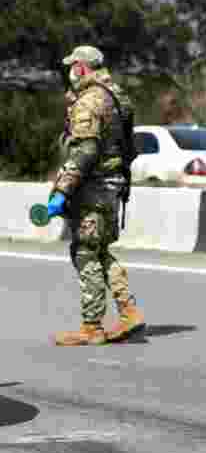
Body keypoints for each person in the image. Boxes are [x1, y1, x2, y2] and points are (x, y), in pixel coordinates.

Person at [47, 45, 146, 346]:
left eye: (72, 66)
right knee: (99, 250)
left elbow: (86, 150)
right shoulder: (116, 96)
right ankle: (129, 312)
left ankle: (92, 327)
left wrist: (62, 190)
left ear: (81, 68)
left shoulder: (90, 101)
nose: (69, 72)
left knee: (85, 252)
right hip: (113, 185)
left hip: (93, 189)